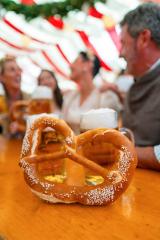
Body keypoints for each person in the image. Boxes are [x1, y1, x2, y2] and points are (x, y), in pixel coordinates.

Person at [119, 2, 160, 170]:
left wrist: (119, 152)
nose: (120, 53)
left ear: (143, 39)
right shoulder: (135, 84)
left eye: (123, 43)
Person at [62, 51, 122, 134]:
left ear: (88, 65)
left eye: (75, 61)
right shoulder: (70, 96)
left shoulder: (105, 96)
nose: (70, 66)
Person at [0, 56, 24, 136]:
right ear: (2, 77)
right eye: (12, 70)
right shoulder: (1, 102)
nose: (18, 73)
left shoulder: (31, 100)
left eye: (19, 69)